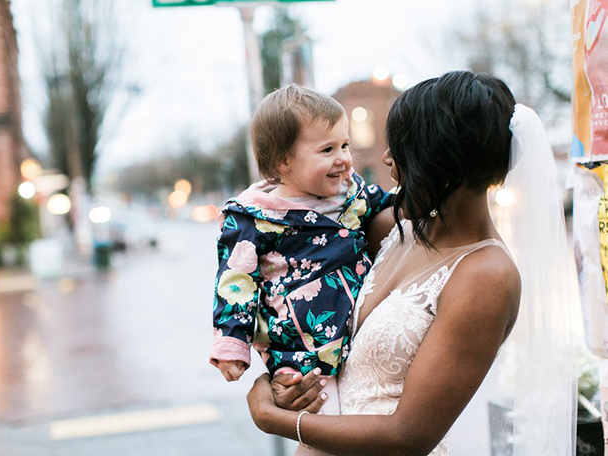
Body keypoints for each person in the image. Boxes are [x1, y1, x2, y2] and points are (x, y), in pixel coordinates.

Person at [246, 71, 576, 455]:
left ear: (439, 158)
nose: (387, 159)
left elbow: (409, 436)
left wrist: (271, 417)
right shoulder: (390, 228)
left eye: (401, 148)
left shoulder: (487, 276)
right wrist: (277, 377)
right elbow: (287, 277)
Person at [210, 84, 394, 446]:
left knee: (366, 421)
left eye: (345, 145)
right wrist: (232, 344)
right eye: (327, 150)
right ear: (284, 162)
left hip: (356, 338)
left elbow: (390, 204)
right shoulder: (253, 218)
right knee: (329, 437)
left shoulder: (352, 193)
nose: (343, 158)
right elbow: (235, 281)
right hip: (300, 352)